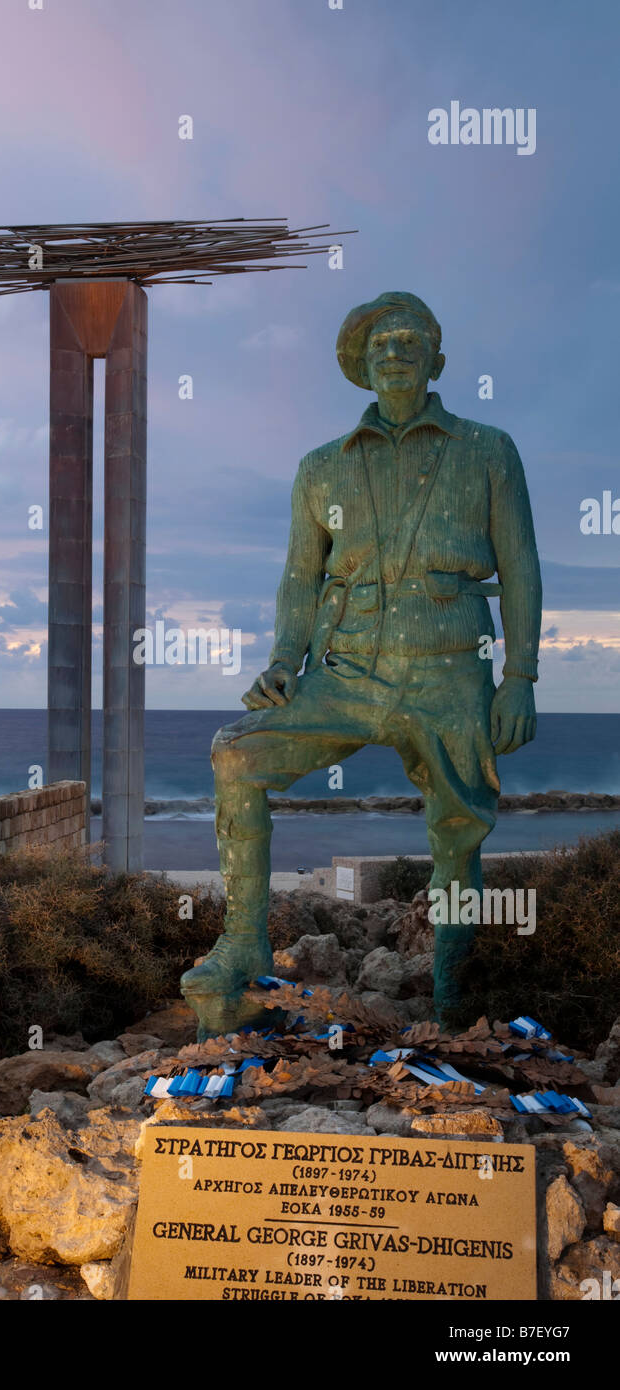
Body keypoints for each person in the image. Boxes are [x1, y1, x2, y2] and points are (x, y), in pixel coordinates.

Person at [181, 291, 541, 1036]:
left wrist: (521, 678)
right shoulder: (320, 468)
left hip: (450, 671)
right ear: (361, 367)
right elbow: (300, 579)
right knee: (235, 756)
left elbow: (523, 568)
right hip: (344, 673)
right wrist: (285, 659)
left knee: (458, 832)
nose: (395, 350)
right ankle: (243, 945)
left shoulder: (489, 450)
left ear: (438, 359)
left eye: (411, 339)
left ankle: (454, 996)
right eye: (380, 342)